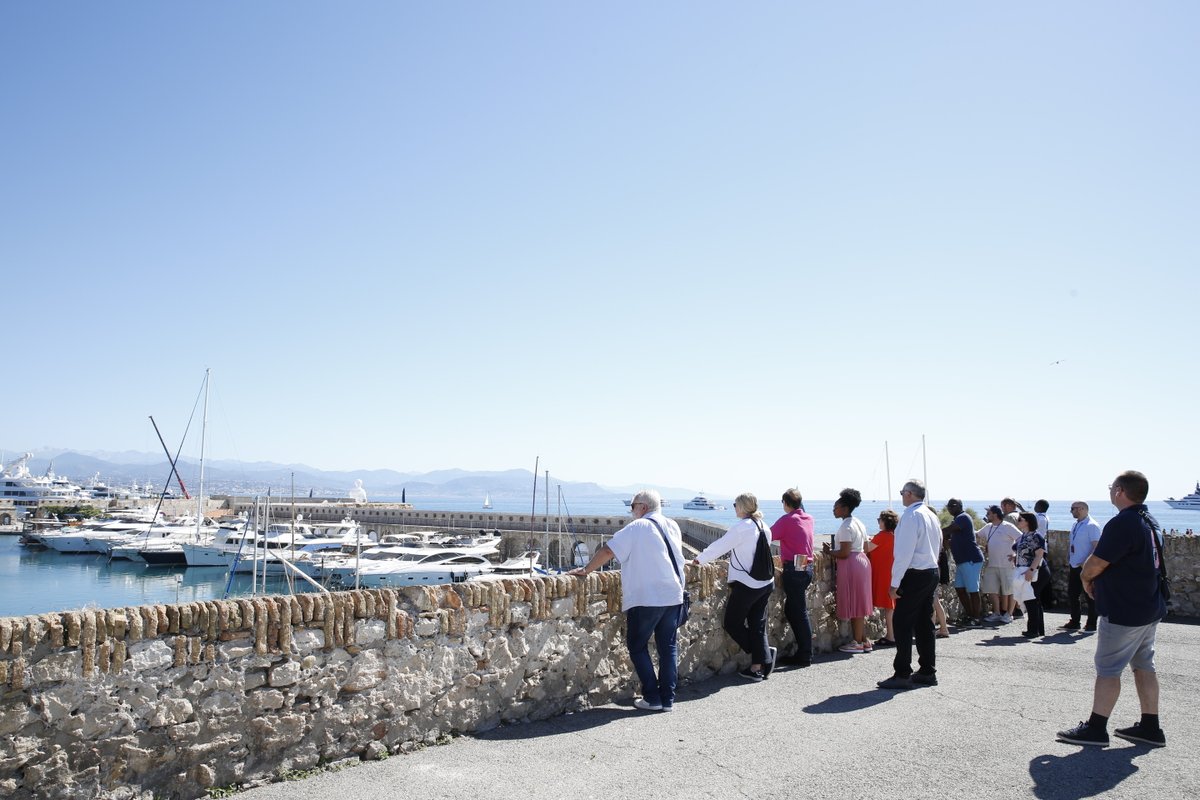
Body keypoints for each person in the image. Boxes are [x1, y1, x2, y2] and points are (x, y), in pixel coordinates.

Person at [1057, 471, 1168, 748]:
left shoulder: (1123, 523)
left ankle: (1096, 728)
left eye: (1111, 488)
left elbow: (1096, 563)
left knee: (1108, 668)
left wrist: (1085, 578)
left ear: (1119, 491)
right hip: (1148, 606)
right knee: (1144, 665)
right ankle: (1150, 726)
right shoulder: (1150, 521)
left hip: (1124, 609)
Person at [569, 489, 684, 711]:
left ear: (642, 506)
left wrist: (586, 569)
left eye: (632, 507)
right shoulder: (673, 525)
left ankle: (652, 697)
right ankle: (668, 700)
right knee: (668, 647)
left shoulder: (638, 527)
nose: (631, 511)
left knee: (637, 645)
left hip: (647, 597)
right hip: (674, 595)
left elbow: (608, 550)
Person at [694, 492, 776, 681]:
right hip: (766, 583)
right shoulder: (765, 526)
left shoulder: (742, 528)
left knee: (732, 623)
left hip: (747, 584)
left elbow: (720, 546)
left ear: (742, 507)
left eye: (735, 504)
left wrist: (699, 560)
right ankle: (759, 663)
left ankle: (762, 657)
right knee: (757, 625)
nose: (734, 508)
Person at [877, 479, 942, 691]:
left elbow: (903, 553)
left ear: (909, 494)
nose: (901, 495)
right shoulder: (931, 515)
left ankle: (902, 672)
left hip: (915, 573)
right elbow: (938, 543)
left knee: (902, 621)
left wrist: (894, 583)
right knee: (924, 622)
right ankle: (927, 670)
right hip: (931, 571)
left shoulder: (911, 516)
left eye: (903, 492)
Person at [823, 488, 873, 654]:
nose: (833, 509)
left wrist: (829, 552)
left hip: (851, 564)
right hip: (862, 562)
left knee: (856, 604)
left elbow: (844, 553)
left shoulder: (846, 526)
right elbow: (866, 547)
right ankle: (864, 640)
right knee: (859, 603)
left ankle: (857, 643)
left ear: (844, 508)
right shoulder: (859, 523)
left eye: (836, 507)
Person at [770, 488, 815, 666]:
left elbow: (768, 535)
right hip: (806, 567)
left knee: (800, 611)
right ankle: (804, 651)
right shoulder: (809, 519)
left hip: (794, 569)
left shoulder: (787, 520)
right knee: (792, 610)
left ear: (785, 503)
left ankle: (805, 654)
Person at [1062, 501, 1102, 631]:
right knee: (1073, 594)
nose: (1071, 511)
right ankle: (1075, 621)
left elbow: (1097, 547)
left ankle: (1091, 623)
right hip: (1075, 564)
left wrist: (1086, 562)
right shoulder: (1076, 525)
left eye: (1072, 509)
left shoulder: (1092, 526)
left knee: (1090, 595)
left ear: (1081, 509)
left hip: (1086, 566)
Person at [944, 498, 983, 627]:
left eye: (953, 506)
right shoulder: (957, 519)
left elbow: (948, 530)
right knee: (960, 588)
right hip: (962, 560)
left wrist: (935, 532)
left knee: (973, 590)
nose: (950, 508)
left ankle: (976, 618)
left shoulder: (963, 517)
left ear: (960, 506)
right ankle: (970, 615)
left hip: (970, 559)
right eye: (949, 506)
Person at [979, 505, 1019, 624]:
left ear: (995, 515)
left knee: (1010, 590)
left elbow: (1021, 539)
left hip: (1007, 564)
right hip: (992, 564)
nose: (987, 516)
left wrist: (1016, 555)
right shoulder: (988, 527)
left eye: (989, 514)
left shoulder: (1008, 526)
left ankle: (1009, 614)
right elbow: (977, 534)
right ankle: (996, 613)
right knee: (991, 589)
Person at [867, 509, 899, 648]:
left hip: (883, 574)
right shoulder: (894, 536)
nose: (878, 522)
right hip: (891, 573)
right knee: (891, 606)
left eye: (879, 519)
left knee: (888, 607)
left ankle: (891, 636)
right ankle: (893, 634)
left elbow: (866, 548)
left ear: (885, 522)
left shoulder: (882, 536)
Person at [1013, 512, 1048, 639]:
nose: (1018, 521)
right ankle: (1037, 629)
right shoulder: (1024, 535)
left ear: (1027, 521)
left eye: (1020, 519)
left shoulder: (1035, 536)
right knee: (1033, 600)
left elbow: (1039, 554)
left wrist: (1031, 570)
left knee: (1031, 599)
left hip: (1036, 571)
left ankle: (1033, 630)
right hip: (1028, 570)